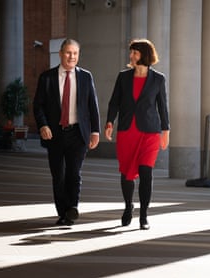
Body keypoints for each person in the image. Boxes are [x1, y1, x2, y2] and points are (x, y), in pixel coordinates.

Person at [33, 38, 100, 226]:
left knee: (74, 174)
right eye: (68, 53)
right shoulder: (47, 77)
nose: (72, 56)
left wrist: (95, 131)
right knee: (59, 175)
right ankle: (62, 212)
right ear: (61, 54)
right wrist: (43, 125)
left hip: (78, 133)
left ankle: (72, 208)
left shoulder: (86, 77)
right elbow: (38, 106)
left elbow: (92, 106)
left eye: (75, 53)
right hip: (54, 134)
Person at [105, 38, 170, 230]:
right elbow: (114, 102)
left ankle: (143, 215)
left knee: (146, 173)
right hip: (127, 131)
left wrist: (166, 130)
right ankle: (127, 206)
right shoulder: (123, 77)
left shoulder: (158, 79)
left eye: (135, 52)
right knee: (126, 174)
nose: (131, 56)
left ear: (144, 54)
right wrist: (110, 122)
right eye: (131, 52)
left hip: (150, 132)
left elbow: (162, 107)